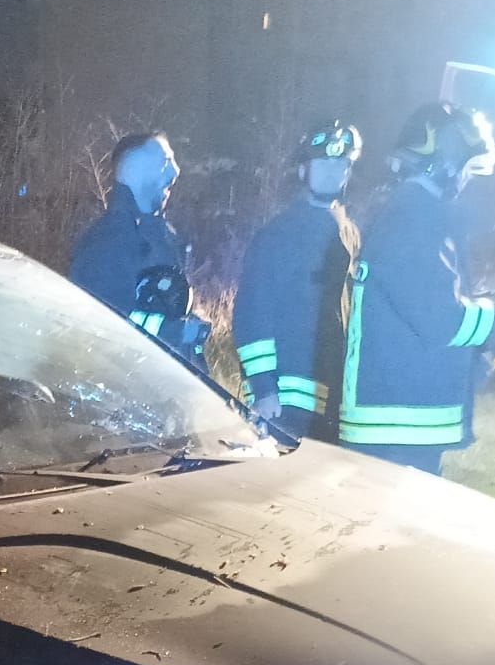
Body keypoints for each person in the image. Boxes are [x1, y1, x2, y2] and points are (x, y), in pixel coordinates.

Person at [338, 103, 495, 474]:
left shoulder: (414, 217)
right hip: (397, 430)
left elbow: (434, 305)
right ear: (447, 163)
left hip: (399, 426)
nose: (467, 182)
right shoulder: (414, 222)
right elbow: (442, 320)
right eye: (467, 170)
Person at [233, 120, 364, 440]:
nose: (332, 172)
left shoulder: (352, 233)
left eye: (340, 164)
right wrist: (264, 388)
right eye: (322, 163)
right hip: (284, 402)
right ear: (303, 170)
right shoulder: (277, 235)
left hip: (333, 396)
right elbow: (252, 314)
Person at [70, 131, 208, 367]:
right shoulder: (108, 243)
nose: (176, 171)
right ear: (134, 171)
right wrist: (176, 332)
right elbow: (100, 326)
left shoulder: (158, 236)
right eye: (166, 162)